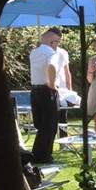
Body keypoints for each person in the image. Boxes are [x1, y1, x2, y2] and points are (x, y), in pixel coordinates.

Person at [29, 29, 62, 163]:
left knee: (41, 124)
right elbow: (52, 67)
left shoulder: (34, 52)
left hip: (35, 90)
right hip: (46, 90)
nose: (57, 45)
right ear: (51, 41)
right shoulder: (51, 52)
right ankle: (44, 155)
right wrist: (53, 85)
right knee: (50, 125)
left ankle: (37, 154)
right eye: (57, 42)